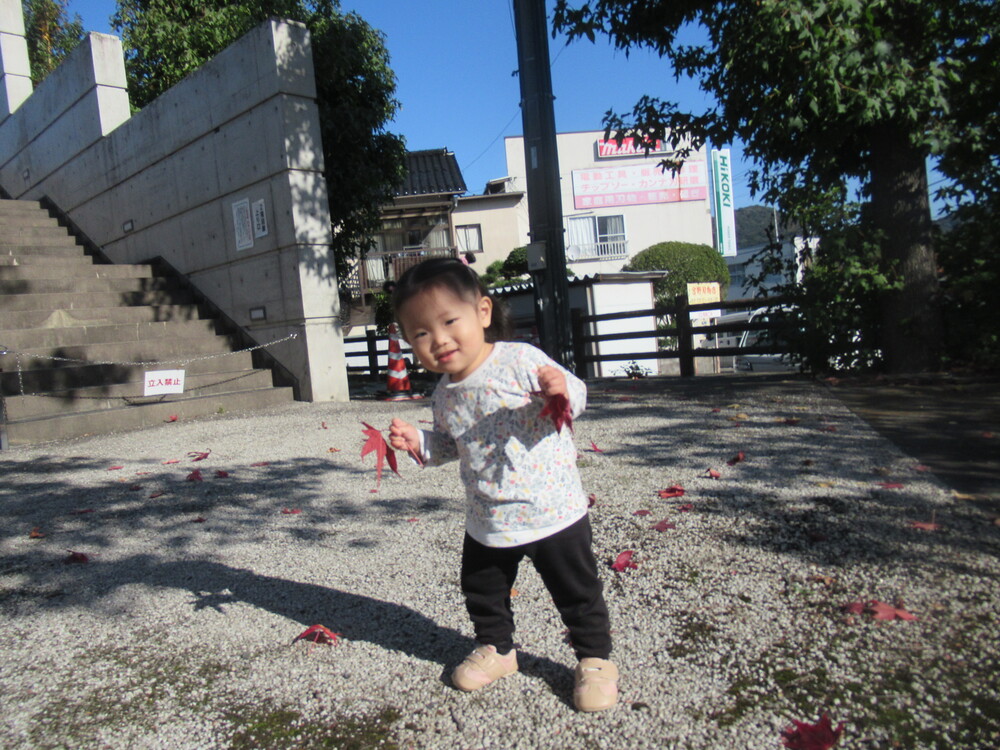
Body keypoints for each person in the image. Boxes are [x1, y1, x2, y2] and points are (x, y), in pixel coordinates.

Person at [387, 257, 617, 712]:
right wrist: (419, 441)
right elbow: (453, 445)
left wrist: (560, 389)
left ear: (483, 312)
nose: (439, 340)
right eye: (420, 333)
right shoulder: (444, 393)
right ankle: (498, 649)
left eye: (450, 321)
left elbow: (576, 396)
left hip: (552, 511)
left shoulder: (520, 360)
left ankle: (595, 658)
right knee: (481, 589)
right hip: (488, 517)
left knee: (576, 590)